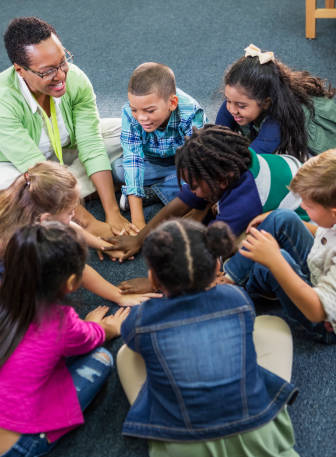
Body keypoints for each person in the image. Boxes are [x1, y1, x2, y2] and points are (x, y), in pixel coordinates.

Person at [117, 218, 299, 457]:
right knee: (273, 327)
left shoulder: (142, 319)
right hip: (260, 445)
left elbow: (132, 340)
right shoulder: (236, 296)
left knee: (127, 355)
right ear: (217, 266)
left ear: (153, 278)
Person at [0, 222, 130, 457]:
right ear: (72, 282)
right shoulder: (62, 321)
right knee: (102, 359)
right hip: (12, 450)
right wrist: (108, 327)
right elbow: (93, 337)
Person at [0, 161, 159, 342]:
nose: (74, 216)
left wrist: (102, 244)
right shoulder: (33, 245)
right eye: (71, 211)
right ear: (46, 220)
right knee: (35, 334)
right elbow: (76, 268)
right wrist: (116, 298)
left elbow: (66, 224)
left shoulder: (13, 200)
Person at [0, 16, 134, 238]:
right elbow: (37, 170)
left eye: (62, 61)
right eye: (47, 71)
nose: (61, 75)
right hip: (13, 165)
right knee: (12, 188)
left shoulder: (75, 78)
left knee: (128, 129)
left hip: (61, 153)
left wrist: (112, 212)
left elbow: (91, 144)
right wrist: (91, 224)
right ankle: (76, 194)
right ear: (20, 70)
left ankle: (69, 194)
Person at [106, 125, 307, 273]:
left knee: (232, 259)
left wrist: (154, 283)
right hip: (290, 177)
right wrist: (139, 239)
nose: (189, 191)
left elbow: (207, 250)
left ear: (221, 181)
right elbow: (178, 206)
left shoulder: (244, 202)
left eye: (193, 186)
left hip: (304, 226)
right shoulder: (229, 163)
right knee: (203, 206)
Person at [223, 149, 336, 344]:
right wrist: (272, 217)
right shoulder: (331, 221)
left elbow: (317, 312)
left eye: (308, 206)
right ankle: (230, 277)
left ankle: (232, 297)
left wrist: (275, 259)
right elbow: (324, 234)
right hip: (320, 269)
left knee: (273, 261)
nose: (304, 209)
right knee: (283, 217)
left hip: (325, 319)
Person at [111, 62, 206, 229]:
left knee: (201, 180)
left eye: (149, 111)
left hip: (183, 164)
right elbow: (133, 158)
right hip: (152, 162)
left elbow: (196, 164)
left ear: (172, 103)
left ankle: (154, 192)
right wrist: (138, 221)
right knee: (118, 169)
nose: (141, 118)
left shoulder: (191, 113)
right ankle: (162, 190)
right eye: (135, 110)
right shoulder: (128, 113)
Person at [215, 44, 336, 160]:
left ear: (266, 102)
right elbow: (217, 134)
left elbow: (250, 159)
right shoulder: (240, 101)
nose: (232, 109)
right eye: (228, 100)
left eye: (241, 106)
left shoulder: (277, 121)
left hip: (323, 145)